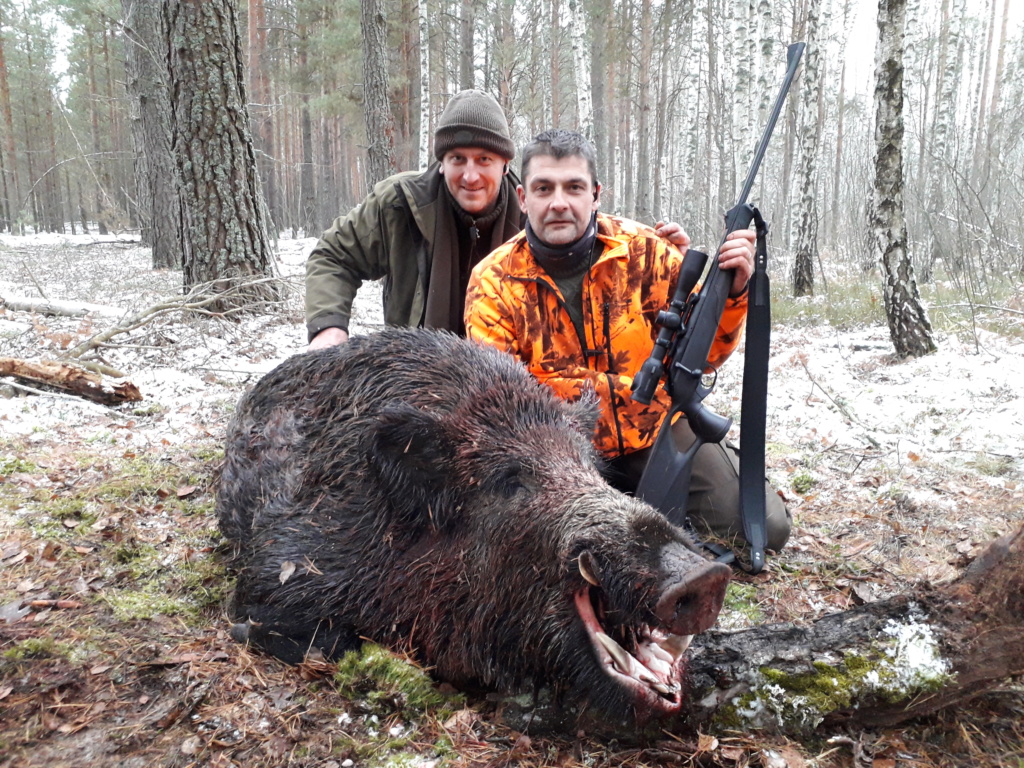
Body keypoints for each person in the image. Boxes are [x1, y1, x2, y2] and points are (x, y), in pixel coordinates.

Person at [464, 129, 790, 552]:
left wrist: (734, 294)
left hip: (655, 431)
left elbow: (704, 357)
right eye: (544, 188)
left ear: (595, 194)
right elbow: (504, 406)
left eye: (574, 187)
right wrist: (612, 395)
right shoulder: (492, 282)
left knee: (763, 524)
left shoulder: (648, 252)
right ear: (524, 198)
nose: (559, 202)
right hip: (557, 456)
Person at [305, 89, 524, 349]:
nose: (470, 176)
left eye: (484, 160)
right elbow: (333, 255)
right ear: (441, 162)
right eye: (457, 159)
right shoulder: (400, 205)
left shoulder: (530, 218)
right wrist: (329, 327)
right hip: (414, 375)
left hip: (506, 378)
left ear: (505, 163)